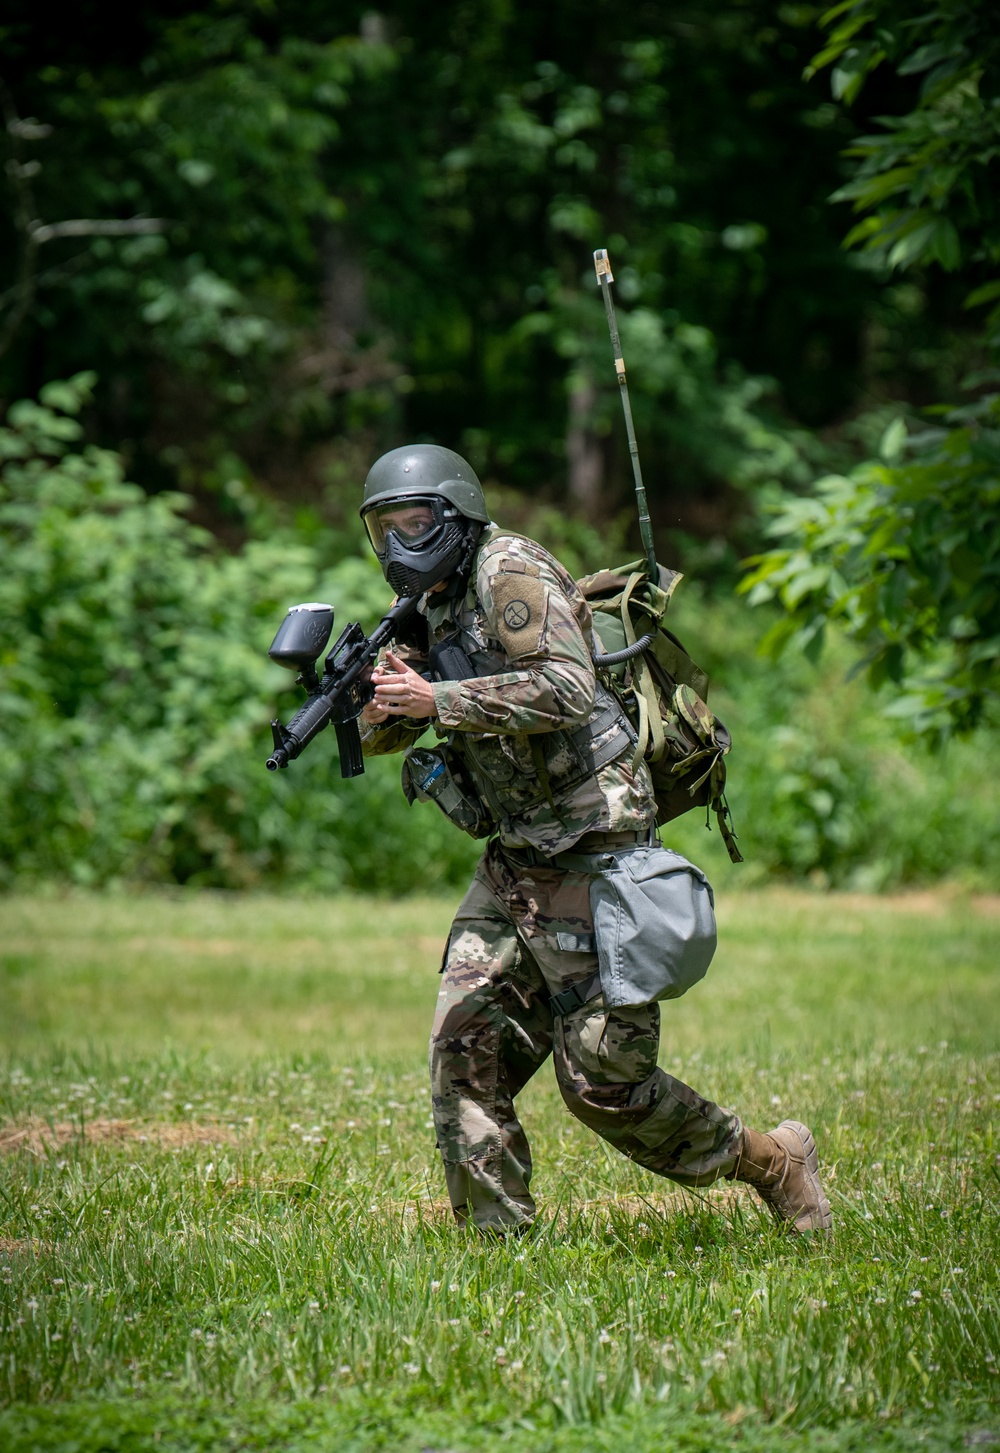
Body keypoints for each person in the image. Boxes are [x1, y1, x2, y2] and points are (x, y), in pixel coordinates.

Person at [358, 443, 831, 1236]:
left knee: (606, 1085)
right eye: (384, 527)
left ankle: (773, 1158)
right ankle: (496, 1247)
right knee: (464, 1051)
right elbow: (398, 730)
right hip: (515, 859)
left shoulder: (510, 569)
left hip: (595, 845)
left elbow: (567, 686)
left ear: (455, 516)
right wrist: (370, 706)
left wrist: (436, 696)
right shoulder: (429, 606)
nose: (401, 542)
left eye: (415, 521)